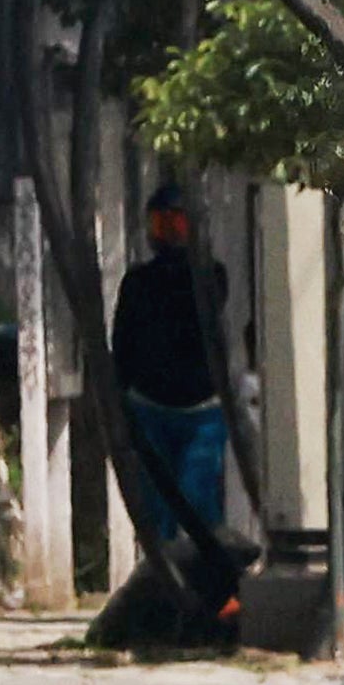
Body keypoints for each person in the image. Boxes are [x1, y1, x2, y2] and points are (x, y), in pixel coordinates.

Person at [110, 183, 231, 545]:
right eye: (161, 225)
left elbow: (205, 311)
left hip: (203, 409)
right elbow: (123, 343)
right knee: (157, 507)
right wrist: (122, 400)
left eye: (178, 224)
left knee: (199, 499)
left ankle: (216, 587)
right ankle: (166, 588)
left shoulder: (211, 274)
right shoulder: (137, 281)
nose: (169, 234)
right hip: (150, 407)